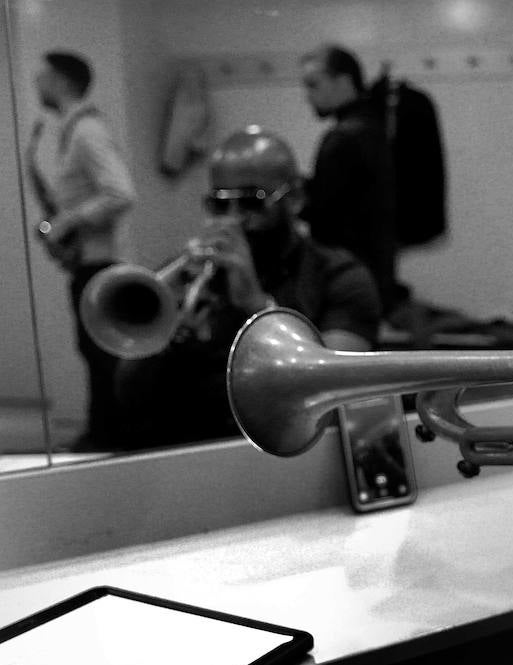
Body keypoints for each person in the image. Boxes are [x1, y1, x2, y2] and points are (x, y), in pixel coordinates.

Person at [115, 126, 381, 449]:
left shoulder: (341, 277)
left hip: (281, 461)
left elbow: (331, 387)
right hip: (179, 456)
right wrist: (166, 334)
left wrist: (257, 306)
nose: (232, 220)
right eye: (220, 205)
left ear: (294, 198)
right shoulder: (189, 277)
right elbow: (126, 396)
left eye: (251, 203)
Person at [26, 50, 136, 451]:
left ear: (62, 81)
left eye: (43, 77)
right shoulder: (74, 130)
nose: (37, 85)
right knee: (93, 351)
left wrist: (65, 223)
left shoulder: (87, 132)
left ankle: (108, 435)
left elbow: (122, 192)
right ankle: (103, 431)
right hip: (90, 262)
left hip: (99, 264)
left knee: (100, 352)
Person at [298, 44, 401, 325]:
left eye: (313, 84)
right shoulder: (373, 128)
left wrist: (292, 197)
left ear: (343, 81)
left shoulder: (343, 138)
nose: (308, 96)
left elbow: (323, 214)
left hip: (346, 281)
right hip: (373, 278)